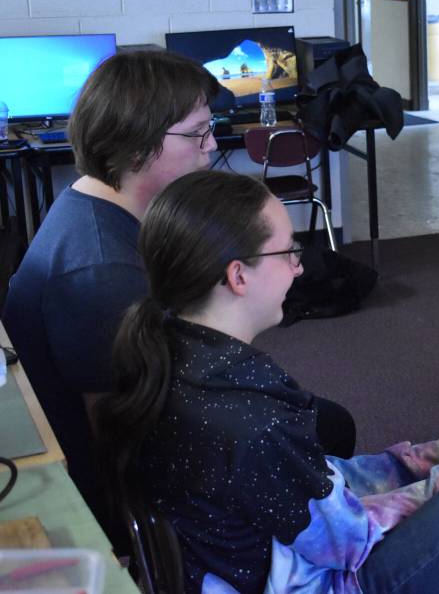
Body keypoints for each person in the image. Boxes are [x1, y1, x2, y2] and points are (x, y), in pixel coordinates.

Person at [94, 171, 439, 593]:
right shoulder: (250, 421)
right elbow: (347, 539)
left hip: (273, 564)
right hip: (333, 578)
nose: (299, 269)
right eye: (288, 252)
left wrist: (426, 457)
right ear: (238, 276)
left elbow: (314, 485)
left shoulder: (170, 355)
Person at [1, 50, 354, 550]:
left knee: (313, 421)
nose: (210, 147)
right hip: (122, 502)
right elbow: (123, 443)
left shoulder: (93, 206)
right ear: (135, 143)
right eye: (197, 133)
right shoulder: (100, 272)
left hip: (160, 424)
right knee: (329, 427)